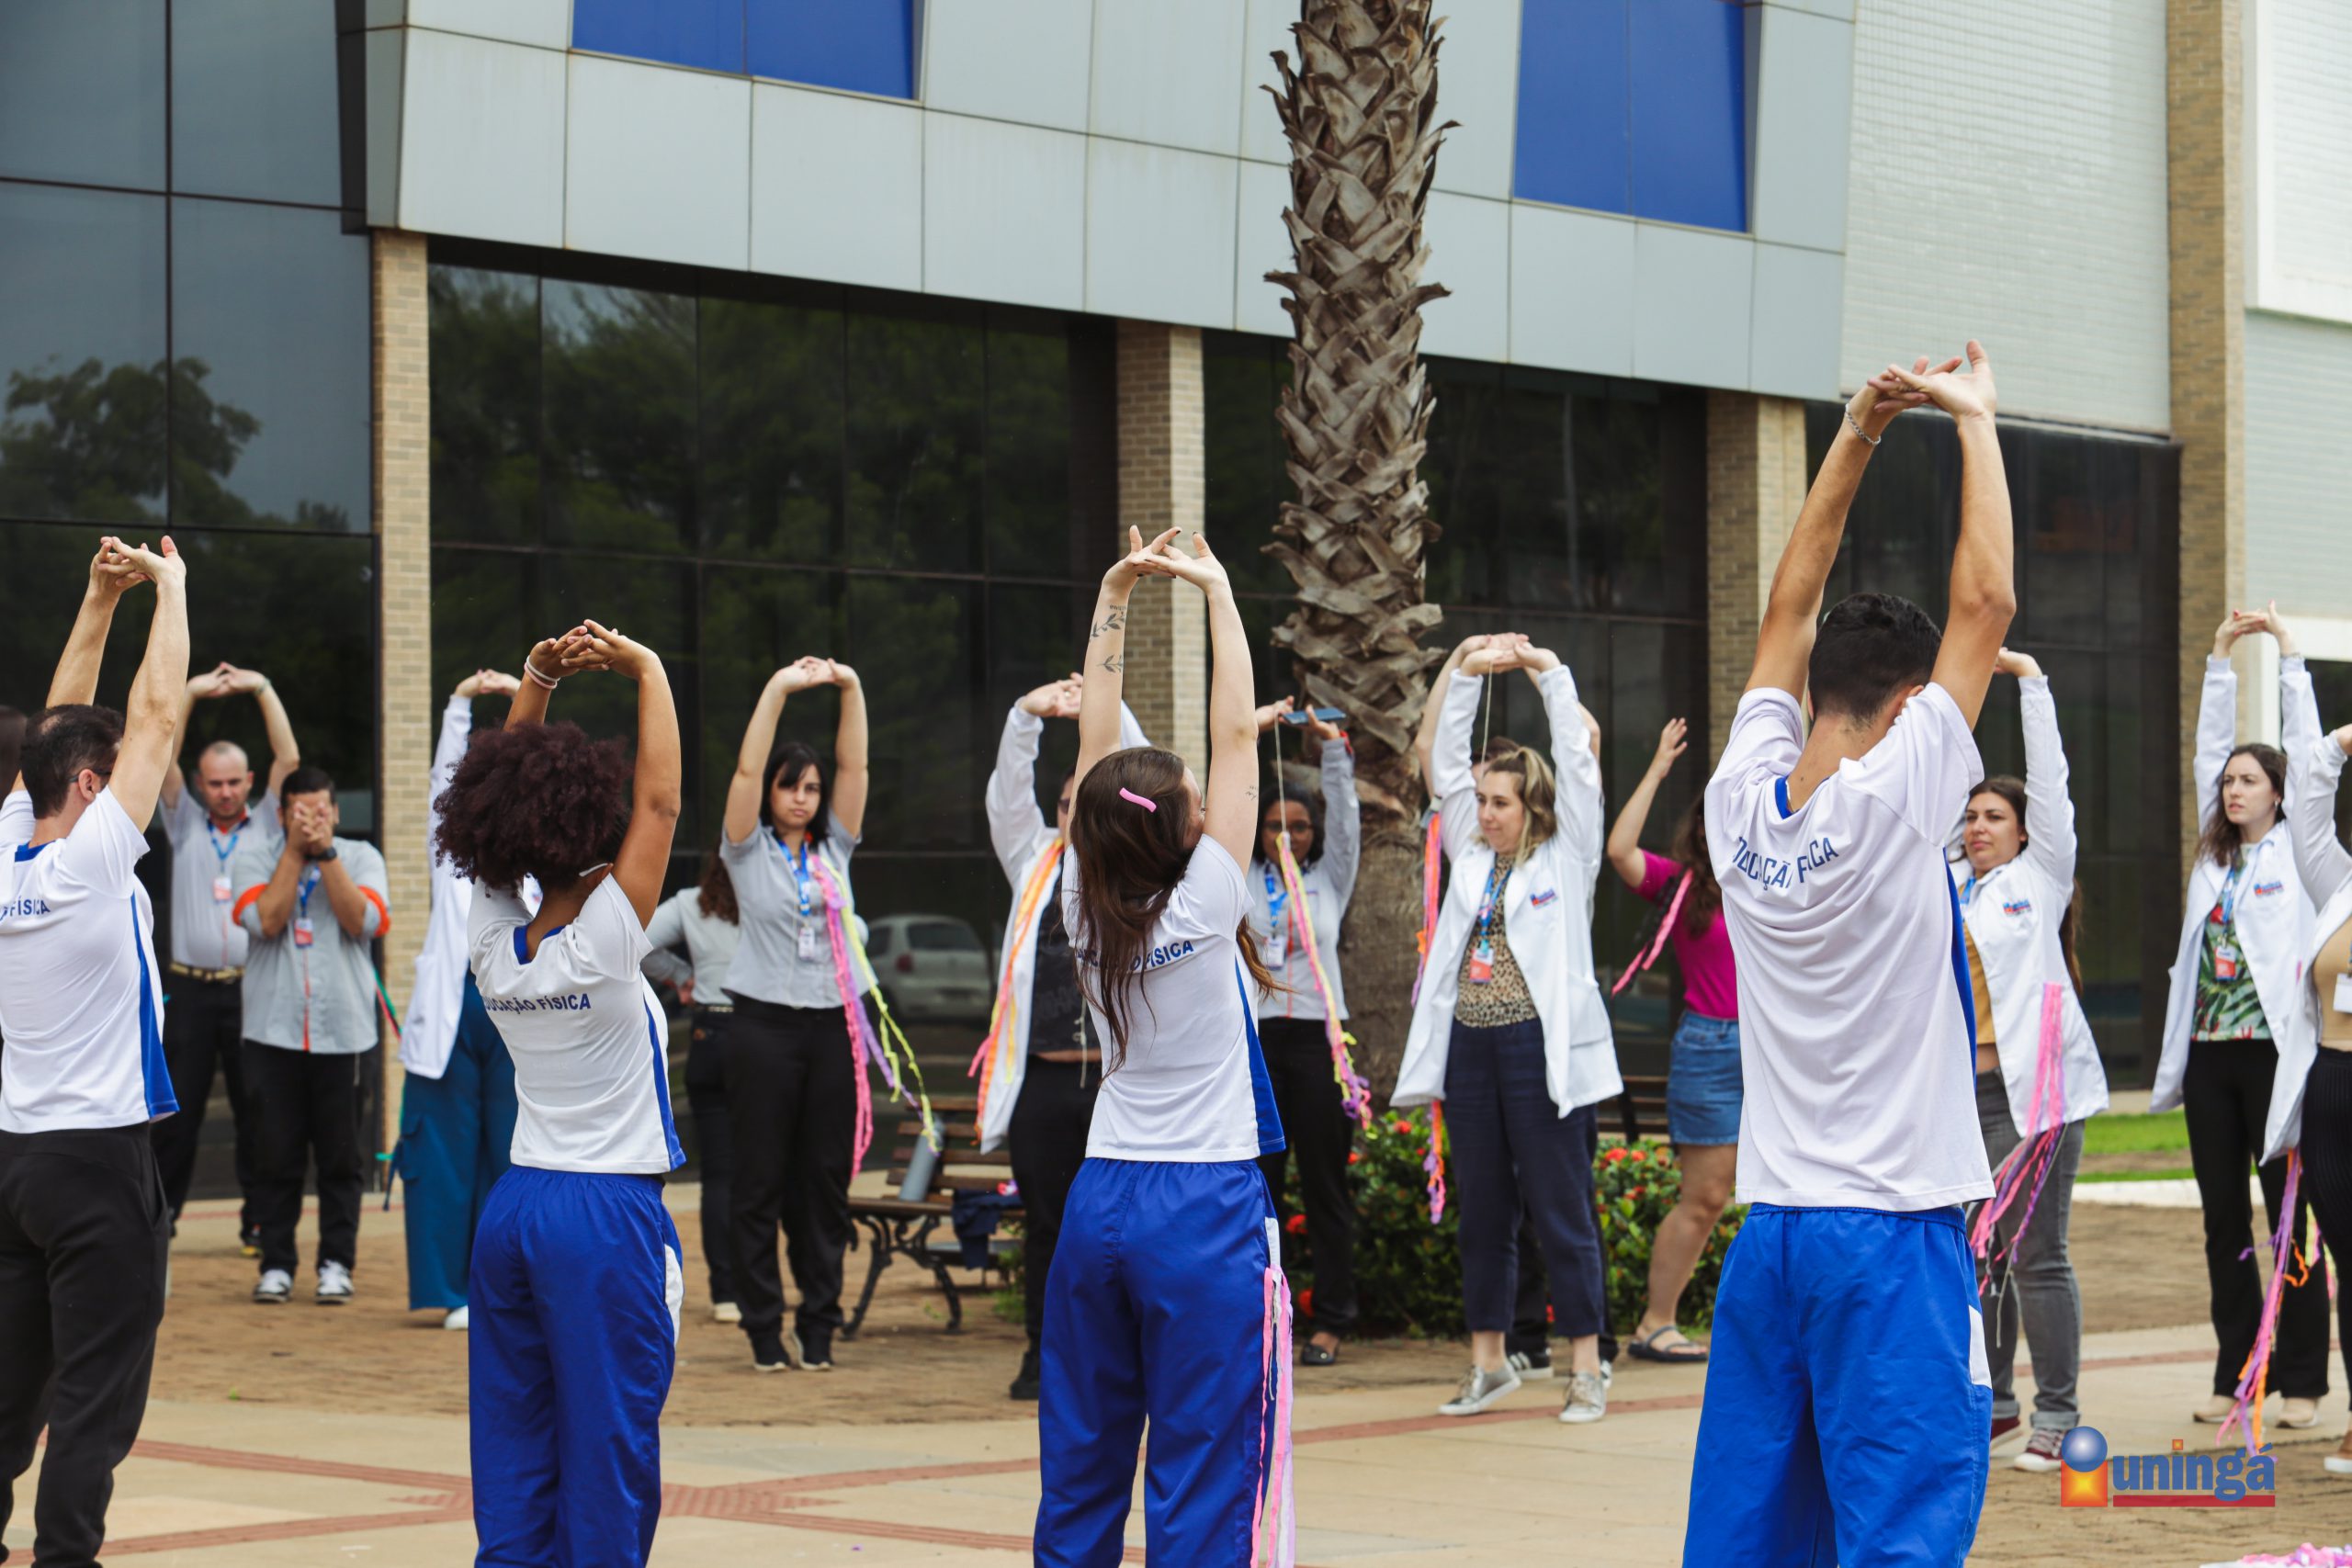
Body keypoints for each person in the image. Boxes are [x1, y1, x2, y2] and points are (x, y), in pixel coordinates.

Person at [1683, 346, 2012, 1568]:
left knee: (1753, 1535)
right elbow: (1986, 605)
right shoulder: (1896, 794)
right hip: (1890, 1233)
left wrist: (1862, 428)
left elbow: (1786, 607)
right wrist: (1974, 419)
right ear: (1911, 702)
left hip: (1774, 1235)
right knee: (1902, 1532)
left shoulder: (1736, 805)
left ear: (1815, 688)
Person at [1035, 526, 1295, 1566]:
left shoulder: (1077, 899)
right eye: (1193, 795)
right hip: (1201, 1203)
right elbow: (1237, 732)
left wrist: (1115, 595)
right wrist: (1218, 592)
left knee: (1081, 1461)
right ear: (1184, 830)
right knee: (1201, 1469)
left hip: (1101, 1197)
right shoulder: (1208, 897)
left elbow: (1096, 747)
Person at [435, 620, 685, 1564]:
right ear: (592, 834)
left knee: (513, 1441)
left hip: (516, 1208)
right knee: (607, 1444)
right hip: (604, 1212)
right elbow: (660, 802)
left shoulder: (493, 942)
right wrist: (647, 666)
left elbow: (497, 811)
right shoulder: (609, 938)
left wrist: (536, 679)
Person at [0, 536, 188, 1567]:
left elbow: (51, 726)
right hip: (98, 1162)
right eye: (113, 781)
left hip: (16, 1161)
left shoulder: (7, 849)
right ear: (87, 785)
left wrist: (97, 601)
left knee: (8, 1392)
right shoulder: (89, 864)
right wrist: (171, 590)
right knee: (92, 1398)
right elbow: (154, 718)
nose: (135, 792)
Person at [1396, 632, 1620, 1424]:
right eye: (1482, 800)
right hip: (1471, 1048)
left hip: (1538, 1049)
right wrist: (1465, 671)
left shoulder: (1567, 856)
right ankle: (1489, 1361)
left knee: (1561, 1208)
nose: (1486, 812)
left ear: (1531, 807)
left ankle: (1586, 1366)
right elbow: (1443, 758)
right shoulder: (1468, 852)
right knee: (1484, 1209)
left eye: (1501, 802)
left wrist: (1546, 669)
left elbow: (1578, 762)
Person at [2152, 605, 2330, 1428]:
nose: (2231, 788)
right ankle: (2238, 1372)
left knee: (2290, 1219)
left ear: (2280, 793)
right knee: (2222, 1219)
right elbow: (2203, 750)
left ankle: (2302, 1379)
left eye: (2248, 780)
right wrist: (2219, 654)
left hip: (2274, 1057)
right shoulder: (2214, 851)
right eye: (2228, 781)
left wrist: (2289, 654)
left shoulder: (2298, 848)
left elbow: (2310, 748)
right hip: (2209, 1057)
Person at [1951, 649, 2109, 1472]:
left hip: (2034, 1096)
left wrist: (2031, 684)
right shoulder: (1947, 885)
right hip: (1961, 1094)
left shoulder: (2037, 879)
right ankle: (1997, 1403)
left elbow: (2052, 789)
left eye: (1993, 816)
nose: (1977, 827)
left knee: (2038, 1256)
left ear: (2022, 832)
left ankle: (2059, 1413)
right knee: (1981, 1252)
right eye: (1970, 816)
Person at [973, 672, 1148, 1402]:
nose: (1078, 813)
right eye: (1069, 801)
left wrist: (1113, 707)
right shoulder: (1034, 861)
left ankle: (1116, 1358)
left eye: (1092, 801)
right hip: (1044, 1081)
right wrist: (1026, 715)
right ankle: (1042, 1356)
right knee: (1047, 1224)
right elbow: (1006, 797)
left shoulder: (1130, 869)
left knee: (1119, 1228)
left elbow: (1147, 768)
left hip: (1115, 1082)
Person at [720, 654, 871, 1373]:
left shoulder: (833, 848)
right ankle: (762, 1326)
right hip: (762, 1028)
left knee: (824, 1181)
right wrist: (779, 687)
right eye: (791, 785)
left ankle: (819, 1323)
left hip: (831, 1026)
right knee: (760, 1181)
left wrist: (852, 688)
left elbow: (856, 767)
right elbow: (746, 771)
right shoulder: (746, 849)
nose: (803, 797)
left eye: (811, 787)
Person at [1603, 716, 1737, 1366]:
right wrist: (1657, 767)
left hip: (1786, 1049)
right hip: (1712, 1049)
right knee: (1706, 1197)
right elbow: (1620, 851)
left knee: (1794, 1198)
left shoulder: (1784, 881)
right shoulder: (1685, 885)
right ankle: (1656, 1323)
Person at [231, 765, 391, 1304]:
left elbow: (363, 922)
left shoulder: (363, 858)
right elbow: (267, 920)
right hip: (272, 1033)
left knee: (341, 1158)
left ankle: (336, 1264)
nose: (312, 821)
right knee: (274, 1155)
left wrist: (326, 855)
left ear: (336, 812)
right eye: (300, 813)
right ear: (281, 815)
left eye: (321, 811)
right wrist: (295, 855)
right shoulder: (254, 859)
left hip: (343, 1034)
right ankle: (276, 1264)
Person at [153, 661, 301, 1246]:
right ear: (199, 783)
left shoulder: (267, 824)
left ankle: (257, 1222)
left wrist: (262, 687)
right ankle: (161, 1220)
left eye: (235, 782)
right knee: (177, 1112)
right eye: (215, 783)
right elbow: (160, 754)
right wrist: (189, 691)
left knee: (256, 1109)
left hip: (250, 984)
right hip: (189, 989)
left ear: (249, 782)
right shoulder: (183, 821)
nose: (225, 792)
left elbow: (289, 759)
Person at [399, 669, 525, 1331]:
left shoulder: (537, 856)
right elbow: (440, 784)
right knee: (446, 1156)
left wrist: (527, 699)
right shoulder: (448, 853)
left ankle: (506, 1285)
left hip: (518, 1015)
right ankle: (452, 1293)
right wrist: (460, 703)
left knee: (511, 1153)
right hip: (453, 1012)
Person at [1248, 695, 1362, 1369]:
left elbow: (1346, 820)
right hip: (1259, 1043)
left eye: (1298, 826)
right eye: (1273, 826)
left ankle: (1333, 1320)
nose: (1286, 836)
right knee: (1262, 1187)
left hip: (1320, 1039)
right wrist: (1250, 730)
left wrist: (1333, 750)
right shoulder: (1241, 878)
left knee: (1325, 1186)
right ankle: (1264, 1318)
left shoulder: (1330, 879)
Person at [2287, 709, 2352, 1481]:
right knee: (2347, 1259)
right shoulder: (2340, 884)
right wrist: (2339, 743)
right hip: (2332, 1085)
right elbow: (2307, 809)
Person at [642, 846, 743, 1324]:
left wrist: (683, 976)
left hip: (711, 1032)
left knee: (720, 1173)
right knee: (766, 1169)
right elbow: (857, 931)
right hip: (765, 1032)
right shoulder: (782, 901)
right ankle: (761, 1283)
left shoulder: (691, 902)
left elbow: (638, 941)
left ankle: (726, 1291)